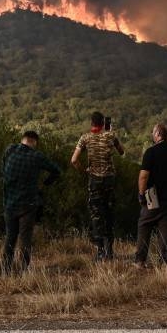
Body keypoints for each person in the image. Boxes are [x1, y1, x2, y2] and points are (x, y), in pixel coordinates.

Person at [1, 130, 61, 275]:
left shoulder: (10, 150)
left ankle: (5, 272)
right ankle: (23, 272)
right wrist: (45, 184)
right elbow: (56, 171)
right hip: (28, 204)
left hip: (9, 203)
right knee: (25, 239)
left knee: (10, 238)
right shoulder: (36, 156)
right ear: (34, 142)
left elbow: (3, 168)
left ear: (23, 139)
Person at [71, 111, 125, 260]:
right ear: (103, 123)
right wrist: (110, 133)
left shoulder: (85, 138)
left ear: (91, 123)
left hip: (94, 180)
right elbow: (122, 152)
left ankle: (100, 251)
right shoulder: (110, 135)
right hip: (109, 180)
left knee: (96, 216)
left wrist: (86, 171)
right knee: (109, 213)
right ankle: (110, 251)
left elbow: (74, 160)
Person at [134, 123, 167, 268]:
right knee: (165, 228)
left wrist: (141, 194)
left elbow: (143, 177)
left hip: (153, 195)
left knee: (144, 225)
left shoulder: (151, 152)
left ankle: (140, 261)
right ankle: (164, 261)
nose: (152, 134)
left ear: (157, 134)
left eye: (153, 132)